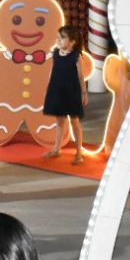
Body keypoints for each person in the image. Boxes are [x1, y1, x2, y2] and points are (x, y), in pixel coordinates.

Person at [41, 25, 88, 164]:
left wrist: (84, 93)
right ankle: (57, 149)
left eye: (62, 38)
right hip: (57, 90)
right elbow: (53, 71)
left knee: (74, 121)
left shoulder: (76, 56)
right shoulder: (56, 53)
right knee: (59, 121)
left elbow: (81, 76)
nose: (58, 40)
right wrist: (48, 87)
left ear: (72, 41)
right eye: (58, 37)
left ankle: (79, 153)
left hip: (72, 92)